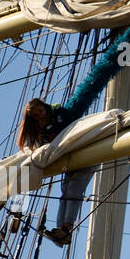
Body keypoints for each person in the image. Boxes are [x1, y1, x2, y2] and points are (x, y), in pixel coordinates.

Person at [16, 98, 83, 247]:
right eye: (36, 116)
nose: (40, 115)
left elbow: (68, 127)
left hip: (82, 152)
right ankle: (61, 230)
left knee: (73, 190)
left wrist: (49, 129)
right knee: (65, 192)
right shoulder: (42, 127)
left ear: (43, 106)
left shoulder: (59, 113)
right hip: (70, 158)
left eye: (40, 111)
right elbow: (45, 145)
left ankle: (66, 228)